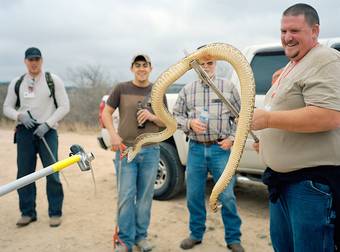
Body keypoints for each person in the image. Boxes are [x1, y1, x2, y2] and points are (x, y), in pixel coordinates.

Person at [251, 3, 340, 251]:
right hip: (284, 183)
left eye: (295, 30)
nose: (287, 37)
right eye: (283, 31)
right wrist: (267, 140)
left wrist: (268, 121)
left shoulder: (325, 59)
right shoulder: (293, 64)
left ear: (315, 31)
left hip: (309, 188)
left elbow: (329, 115)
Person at [173, 53, 244, 252]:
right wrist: (189, 123)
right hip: (195, 149)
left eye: (209, 63)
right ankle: (196, 234)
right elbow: (175, 116)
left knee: (227, 196)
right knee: (194, 195)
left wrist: (232, 138)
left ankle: (233, 238)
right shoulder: (188, 90)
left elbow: (241, 118)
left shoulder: (228, 88)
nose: (206, 67)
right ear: (196, 67)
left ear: (216, 64)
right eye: (201, 64)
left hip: (220, 149)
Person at [102, 54, 166, 252]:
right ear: (132, 68)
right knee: (126, 196)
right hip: (125, 151)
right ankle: (124, 241)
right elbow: (106, 113)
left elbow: (166, 122)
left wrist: (152, 116)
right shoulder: (121, 88)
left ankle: (141, 237)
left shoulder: (157, 90)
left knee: (145, 197)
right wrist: (113, 135)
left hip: (151, 151)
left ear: (150, 68)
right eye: (137, 65)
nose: (141, 68)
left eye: (145, 65)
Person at [3, 47, 70, 227]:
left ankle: (55, 212)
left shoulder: (52, 80)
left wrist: (48, 124)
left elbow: (64, 106)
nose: (34, 63)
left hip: (47, 132)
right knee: (24, 174)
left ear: (42, 60)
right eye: (30, 59)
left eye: (37, 59)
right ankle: (27, 213)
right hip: (25, 132)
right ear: (25, 61)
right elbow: (7, 107)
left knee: (52, 172)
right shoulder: (17, 82)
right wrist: (19, 116)